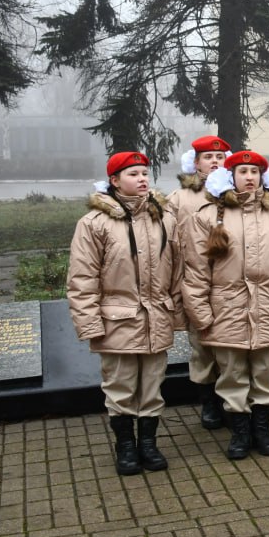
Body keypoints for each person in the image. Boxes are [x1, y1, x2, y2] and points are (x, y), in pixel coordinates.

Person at [67, 152, 184, 476]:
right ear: (115, 181)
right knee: (120, 387)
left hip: (156, 318)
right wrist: (90, 323)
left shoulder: (164, 218)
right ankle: (125, 446)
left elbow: (177, 271)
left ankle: (148, 443)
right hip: (117, 321)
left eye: (145, 172)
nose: (142, 179)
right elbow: (82, 279)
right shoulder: (94, 223)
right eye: (133, 173)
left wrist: (175, 314)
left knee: (152, 386)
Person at [183, 151, 269, 460]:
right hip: (226, 310)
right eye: (242, 172)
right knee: (233, 372)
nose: (249, 177)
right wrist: (201, 314)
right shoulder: (209, 216)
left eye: (254, 171)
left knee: (265, 371)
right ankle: (239, 430)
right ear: (230, 176)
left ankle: (262, 430)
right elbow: (196, 270)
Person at [167, 135, 231, 429]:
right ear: (196, 163)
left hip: (230, 282)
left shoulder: (234, 195)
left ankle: (233, 401)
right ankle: (209, 402)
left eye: (220, 157)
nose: (215, 162)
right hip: (194, 280)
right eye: (208, 157)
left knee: (230, 346)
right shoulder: (179, 198)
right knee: (202, 344)